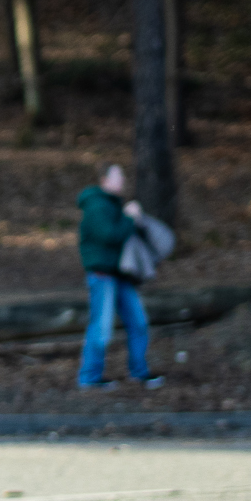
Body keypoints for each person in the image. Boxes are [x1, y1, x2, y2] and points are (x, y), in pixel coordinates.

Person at [76, 164, 164, 390]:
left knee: (138, 322)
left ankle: (139, 372)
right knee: (101, 327)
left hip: (120, 275)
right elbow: (110, 235)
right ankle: (89, 377)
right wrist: (130, 218)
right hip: (103, 275)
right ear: (104, 180)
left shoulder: (112, 205)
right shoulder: (96, 205)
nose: (123, 179)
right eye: (118, 176)